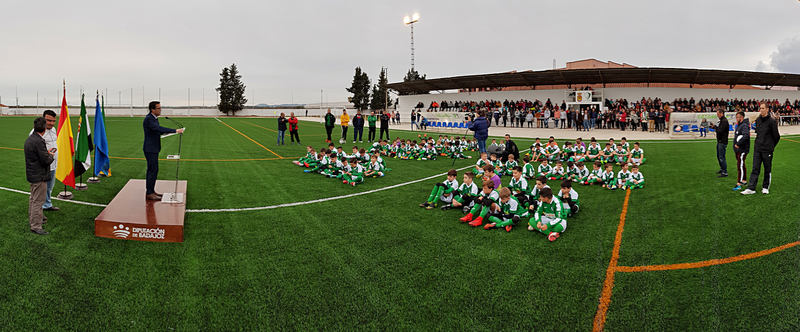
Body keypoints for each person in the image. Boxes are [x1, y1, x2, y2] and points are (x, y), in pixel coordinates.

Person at [143, 101, 183, 200]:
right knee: (153, 170)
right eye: (158, 108)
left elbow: (156, 131)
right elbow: (158, 128)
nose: (160, 110)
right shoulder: (149, 119)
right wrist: (175, 130)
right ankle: (149, 192)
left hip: (153, 148)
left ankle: (151, 191)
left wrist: (167, 133)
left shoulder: (154, 118)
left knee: (152, 170)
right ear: (152, 110)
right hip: (150, 148)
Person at [25, 117, 56, 235]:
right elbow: (46, 161)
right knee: (38, 201)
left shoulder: (30, 139)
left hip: (33, 174)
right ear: (44, 128)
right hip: (39, 176)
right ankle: (36, 226)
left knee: (33, 199)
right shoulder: (39, 141)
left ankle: (34, 219)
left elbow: (37, 155)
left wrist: (46, 153)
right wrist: (51, 155)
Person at [742, 103, 780, 195]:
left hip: (767, 150)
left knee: (767, 169)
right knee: (755, 168)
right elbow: (758, 133)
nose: (761, 110)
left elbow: (776, 137)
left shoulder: (771, 121)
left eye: (763, 108)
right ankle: (751, 188)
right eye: (760, 108)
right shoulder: (758, 120)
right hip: (757, 148)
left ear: (767, 109)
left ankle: (765, 187)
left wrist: (770, 146)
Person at [29, 110, 59, 212]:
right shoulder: (36, 133)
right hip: (43, 166)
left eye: (53, 121)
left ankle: (47, 204)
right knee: (42, 189)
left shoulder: (53, 130)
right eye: (48, 120)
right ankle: (40, 209)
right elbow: (34, 149)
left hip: (53, 163)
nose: (51, 123)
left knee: (50, 187)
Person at [732, 111, 750, 191]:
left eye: (737, 117)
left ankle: (738, 183)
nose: (736, 119)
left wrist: (738, 143)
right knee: (741, 165)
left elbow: (746, 136)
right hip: (738, 149)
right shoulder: (739, 125)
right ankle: (744, 180)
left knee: (740, 165)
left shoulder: (744, 126)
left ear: (741, 118)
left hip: (742, 149)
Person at [709, 108, 729, 177]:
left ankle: (725, 172)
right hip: (720, 141)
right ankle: (722, 169)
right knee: (719, 156)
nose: (717, 115)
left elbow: (720, 131)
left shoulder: (724, 121)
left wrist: (714, 127)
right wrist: (715, 127)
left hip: (722, 141)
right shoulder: (722, 121)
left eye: (718, 114)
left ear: (721, 113)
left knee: (721, 157)